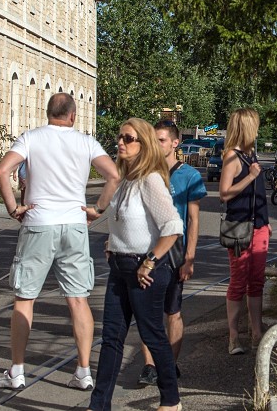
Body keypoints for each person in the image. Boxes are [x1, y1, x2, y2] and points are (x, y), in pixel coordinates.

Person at [0, 93, 119, 392]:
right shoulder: (86, 142)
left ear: (47, 113)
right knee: (78, 299)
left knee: (25, 298)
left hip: (39, 222)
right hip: (74, 223)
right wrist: (97, 208)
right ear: (73, 116)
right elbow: (113, 175)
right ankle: (84, 371)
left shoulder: (31, 138)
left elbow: (2, 171)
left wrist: (13, 209)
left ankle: (18, 370)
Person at [90, 118, 183, 411]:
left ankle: (171, 400)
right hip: (120, 267)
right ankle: (99, 404)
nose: (121, 142)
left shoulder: (150, 179)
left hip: (146, 271)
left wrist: (150, 262)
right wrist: (112, 244)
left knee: (152, 335)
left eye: (128, 138)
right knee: (111, 339)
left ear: (143, 145)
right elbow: (124, 222)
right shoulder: (124, 178)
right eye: (120, 137)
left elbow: (173, 226)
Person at [138, 119, 208, 386]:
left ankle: (170, 363)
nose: (156, 145)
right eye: (153, 140)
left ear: (175, 143)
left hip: (175, 252)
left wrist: (189, 257)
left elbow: (194, 219)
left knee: (173, 311)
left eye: (161, 140)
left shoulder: (189, 175)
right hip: (147, 250)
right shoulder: (144, 172)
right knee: (147, 312)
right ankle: (149, 365)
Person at [219, 108, 269, 354]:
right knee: (239, 280)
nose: (258, 130)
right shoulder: (232, 156)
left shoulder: (252, 155)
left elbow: (259, 196)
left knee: (257, 281)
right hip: (239, 228)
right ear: (247, 127)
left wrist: (266, 222)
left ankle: (257, 333)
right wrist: (250, 177)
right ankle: (234, 336)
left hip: (259, 226)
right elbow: (224, 193)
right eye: (255, 125)